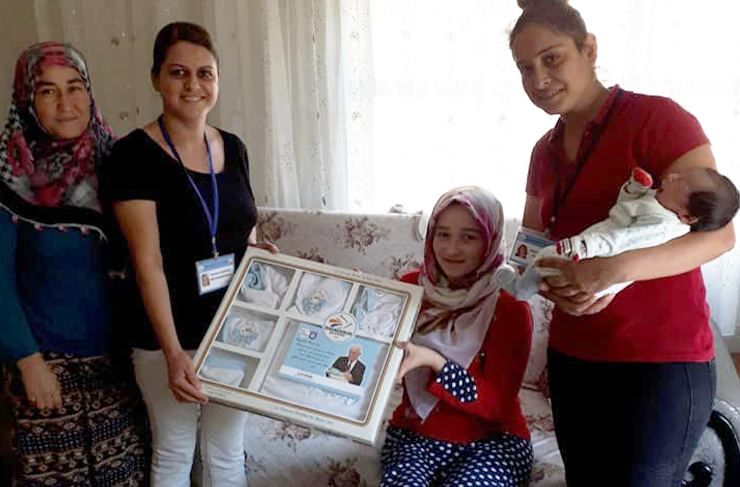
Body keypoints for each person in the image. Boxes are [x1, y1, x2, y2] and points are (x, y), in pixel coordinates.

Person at [509, 1, 735, 485]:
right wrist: (551, 284)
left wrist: (613, 270)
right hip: (572, 360)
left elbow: (719, 235)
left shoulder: (658, 119)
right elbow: (533, 244)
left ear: (589, 49)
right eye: (525, 68)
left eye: (551, 58)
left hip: (660, 364)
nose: (538, 80)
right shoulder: (542, 153)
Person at [101, 22, 276, 487]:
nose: (193, 85)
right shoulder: (132, 155)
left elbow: (243, 230)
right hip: (168, 337)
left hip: (233, 333)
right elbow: (147, 263)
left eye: (205, 73)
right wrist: (173, 352)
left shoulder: (233, 147)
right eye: (179, 72)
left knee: (226, 453)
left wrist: (260, 256)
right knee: (175, 452)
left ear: (217, 80)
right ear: (156, 78)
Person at [0, 42, 149, 486]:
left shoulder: (120, 162)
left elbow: (168, 241)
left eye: (74, 87)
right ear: (27, 100)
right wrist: (29, 362)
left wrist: (250, 247)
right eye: (47, 91)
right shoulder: (10, 175)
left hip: (123, 365)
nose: (66, 103)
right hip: (48, 366)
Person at [380, 186, 533, 487]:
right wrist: (357, 302)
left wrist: (435, 362)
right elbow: (374, 354)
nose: (451, 250)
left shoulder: (509, 303)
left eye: (468, 237)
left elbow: (497, 404)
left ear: (490, 240)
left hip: (492, 442)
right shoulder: (410, 288)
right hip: (415, 435)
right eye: (443, 234)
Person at [499, 166, 740, 300]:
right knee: (550, 268)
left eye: (682, 182)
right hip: (597, 250)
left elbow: (623, 240)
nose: (672, 175)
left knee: (547, 258)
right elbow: (624, 209)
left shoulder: (662, 226)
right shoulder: (662, 203)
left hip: (598, 258)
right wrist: (633, 189)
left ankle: (519, 290)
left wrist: (584, 245)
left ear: (688, 216)